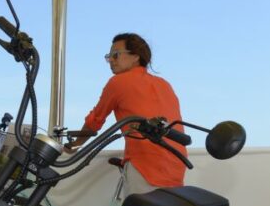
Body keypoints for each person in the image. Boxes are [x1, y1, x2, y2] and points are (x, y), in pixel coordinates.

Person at [68, 33, 187, 196]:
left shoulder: (118, 82)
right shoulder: (164, 84)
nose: (111, 60)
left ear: (135, 56)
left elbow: (95, 120)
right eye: (108, 56)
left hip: (145, 164)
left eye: (115, 55)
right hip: (176, 163)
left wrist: (75, 145)